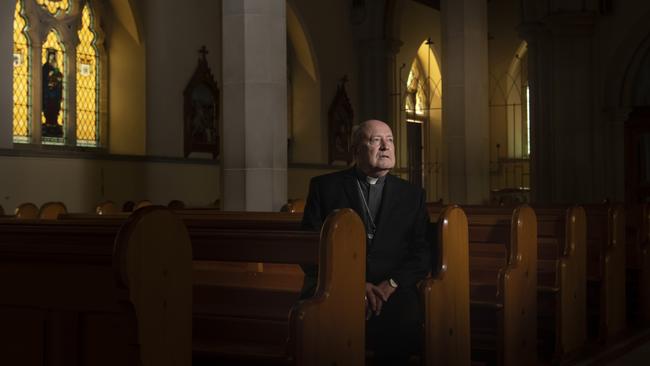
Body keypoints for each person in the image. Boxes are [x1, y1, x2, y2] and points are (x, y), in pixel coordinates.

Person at [300, 119, 431, 365]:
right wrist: (354, 284)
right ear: (355, 151)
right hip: (336, 285)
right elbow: (309, 251)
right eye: (375, 140)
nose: (385, 147)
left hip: (392, 291)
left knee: (403, 322)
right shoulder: (324, 188)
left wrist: (390, 284)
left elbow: (422, 253)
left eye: (390, 140)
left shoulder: (412, 195)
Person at [42, 49, 63, 137]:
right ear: (47, 57)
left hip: (55, 93)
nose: (52, 59)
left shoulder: (56, 68)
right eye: (50, 57)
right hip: (47, 93)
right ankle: (48, 125)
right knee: (48, 107)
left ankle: (54, 124)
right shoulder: (45, 67)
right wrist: (49, 76)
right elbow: (43, 78)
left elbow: (60, 77)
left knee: (55, 107)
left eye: (53, 57)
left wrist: (56, 76)